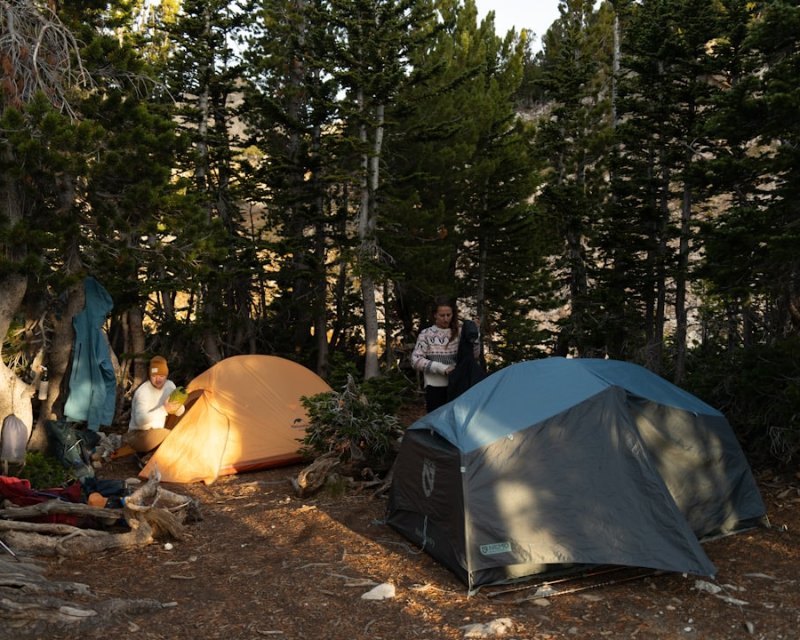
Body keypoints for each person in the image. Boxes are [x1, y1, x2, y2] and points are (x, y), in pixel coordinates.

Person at [411, 296, 480, 412]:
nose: (446, 319)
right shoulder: (426, 334)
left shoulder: (460, 332)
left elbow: (474, 355)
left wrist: (475, 334)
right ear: (435, 315)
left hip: (458, 386)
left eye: (449, 315)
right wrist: (443, 368)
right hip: (435, 388)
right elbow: (415, 360)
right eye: (442, 315)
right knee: (436, 420)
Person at [126, 355, 185, 454]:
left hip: (158, 431)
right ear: (150, 376)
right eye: (154, 376)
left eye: (161, 376)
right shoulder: (143, 391)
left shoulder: (170, 386)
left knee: (182, 434)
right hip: (138, 435)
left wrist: (177, 407)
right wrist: (164, 409)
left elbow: (179, 412)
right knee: (171, 437)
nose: (158, 380)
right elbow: (140, 420)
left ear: (166, 375)